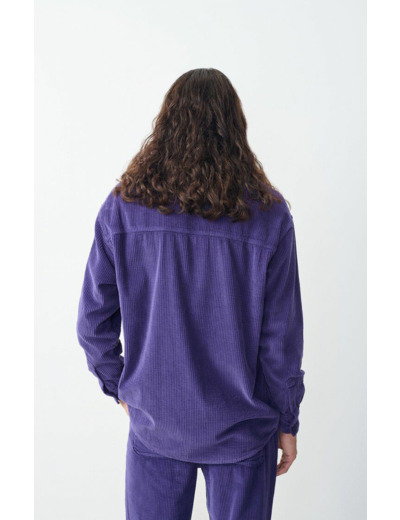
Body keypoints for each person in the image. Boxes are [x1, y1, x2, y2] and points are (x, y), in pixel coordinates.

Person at [76, 68, 305, 520]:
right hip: (243, 428)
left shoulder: (124, 207)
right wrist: (287, 420)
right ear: (234, 128)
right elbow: (280, 339)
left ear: (166, 125)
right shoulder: (269, 215)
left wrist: (122, 388)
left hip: (157, 424)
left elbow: (92, 322)